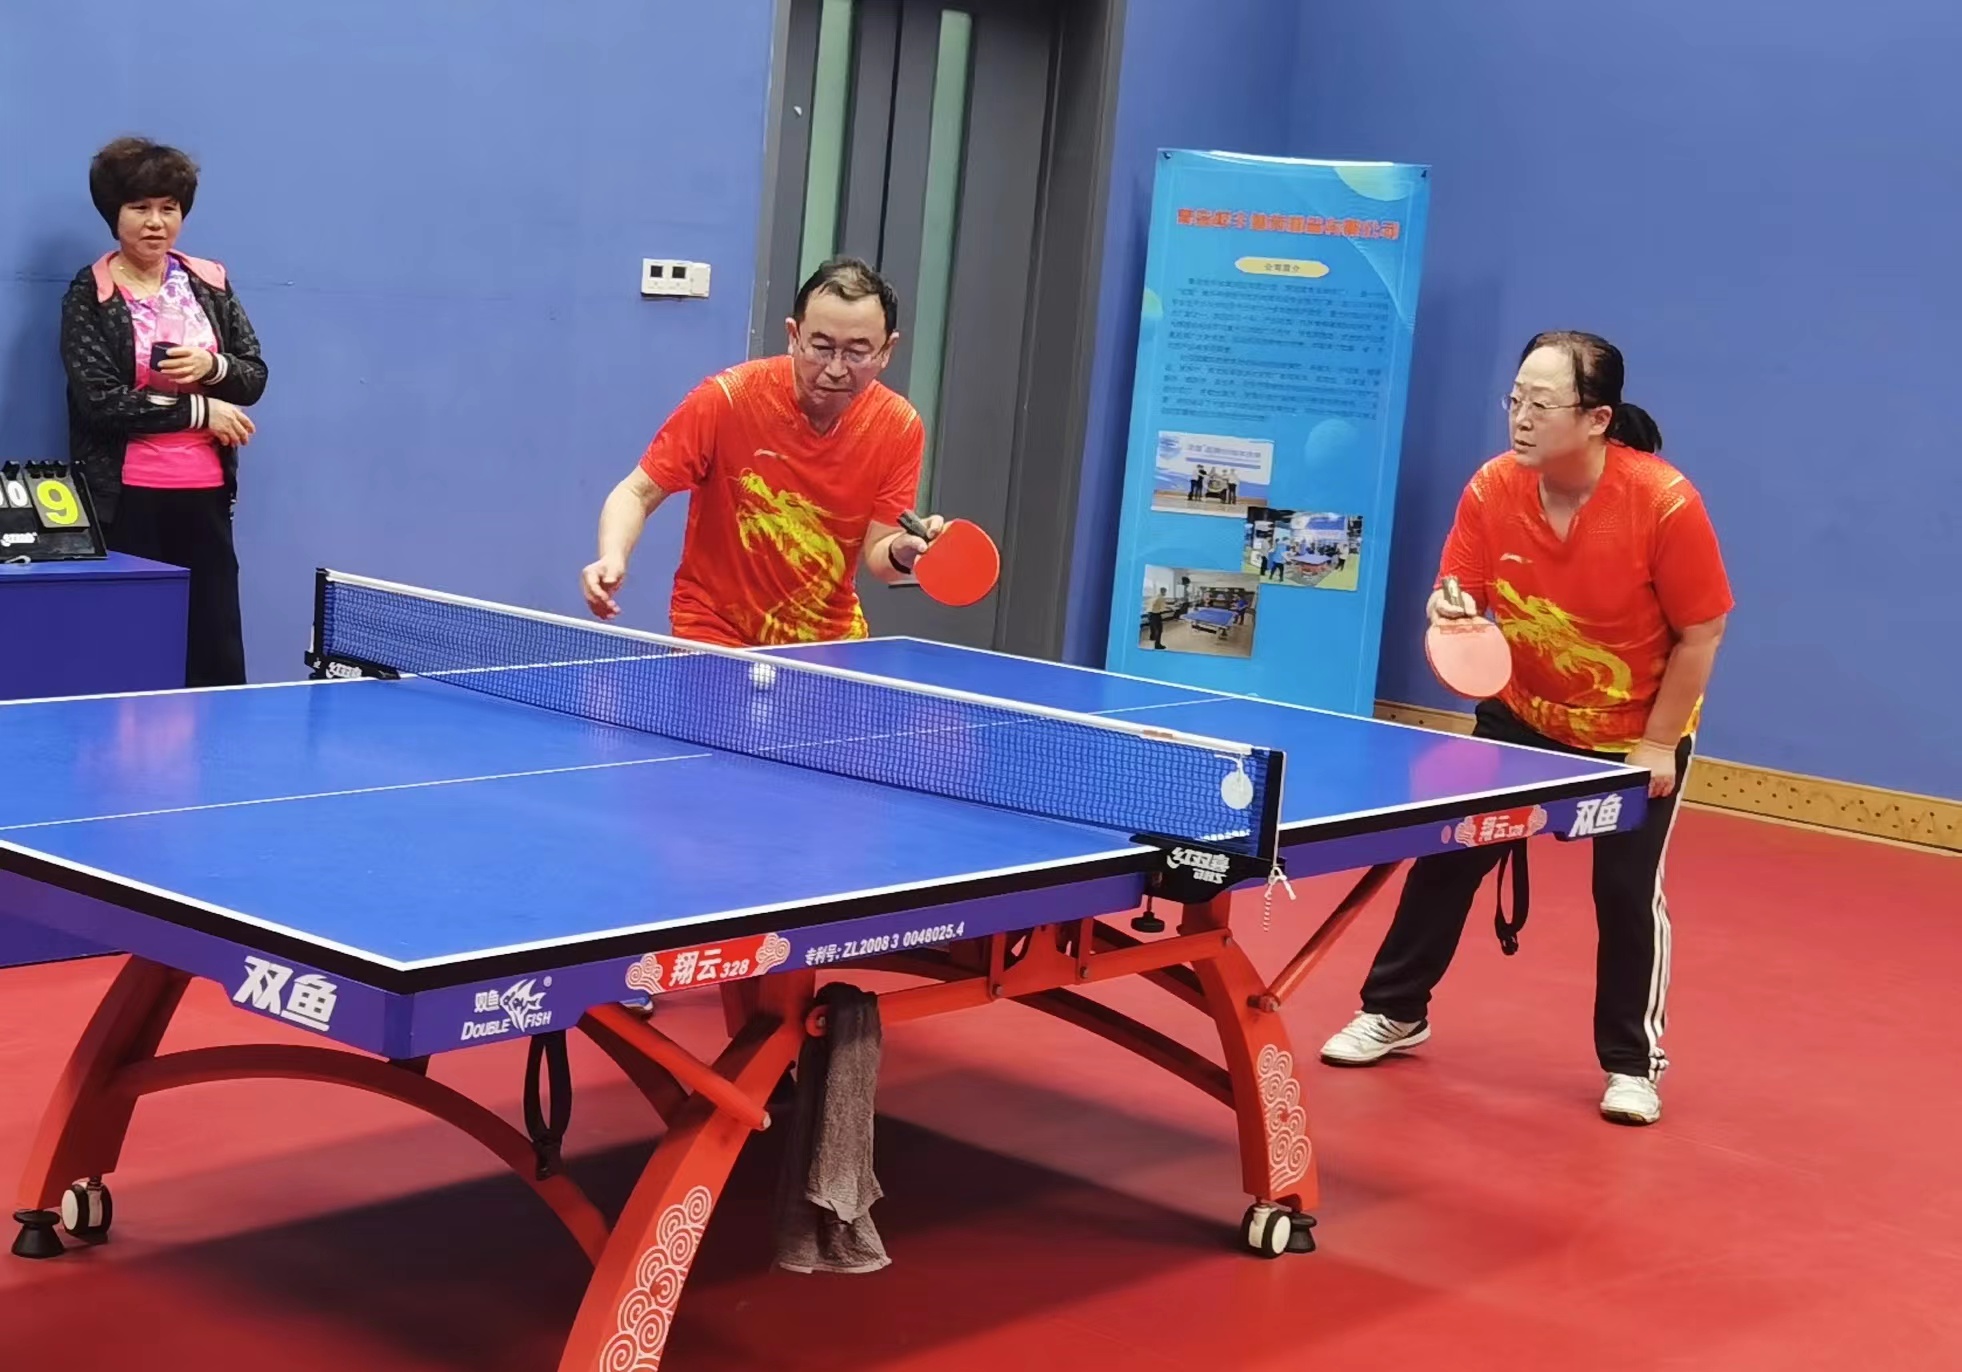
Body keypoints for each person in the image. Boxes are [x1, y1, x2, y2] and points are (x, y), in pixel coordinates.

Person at [1319, 331, 1732, 1127]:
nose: (1521, 417)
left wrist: (1656, 744)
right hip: (1522, 714)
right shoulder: (1493, 486)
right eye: (1515, 400)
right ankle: (1396, 1010)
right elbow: (1458, 590)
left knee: (1624, 892)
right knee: (1448, 855)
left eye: (1543, 403)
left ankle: (1631, 1063)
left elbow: (1702, 633)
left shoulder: (1664, 503)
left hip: (1628, 731)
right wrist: (1447, 609)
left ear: (1598, 418)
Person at [581, 257, 943, 645]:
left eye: (857, 352)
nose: (836, 368)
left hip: (826, 638)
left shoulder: (899, 426)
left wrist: (903, 550)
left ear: (887, 350)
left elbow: (880, 557)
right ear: (793, 335)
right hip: (715, 630)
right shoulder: (727, 400)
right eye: (821, 347)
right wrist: (612, 555)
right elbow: (636, 492)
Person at [60, 137, 268, 687]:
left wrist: (212, 366)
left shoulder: (209, 283)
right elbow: (100, 401)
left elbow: (253, 376)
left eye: (168, 208)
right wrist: (200, 411)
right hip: (127, 497)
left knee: (213, 644)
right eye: (140, 208)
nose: (156, 222)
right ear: (115, 214)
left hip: (205, 494)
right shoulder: (91, 293)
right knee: (129, 645)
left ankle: (217, 736)